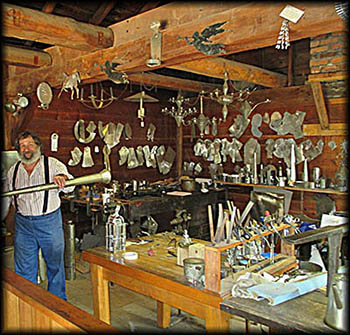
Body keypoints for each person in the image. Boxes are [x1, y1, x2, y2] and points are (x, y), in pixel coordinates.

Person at [2, 130, 75, 300]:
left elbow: (70, 187)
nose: (26, 148)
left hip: (49, 222)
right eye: (22, 146)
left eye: (29, 144)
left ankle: (57, 303)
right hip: (23, 224)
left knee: (55, 266)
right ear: (18, 150)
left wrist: (63, 178)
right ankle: (27, 303)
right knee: (24, 268)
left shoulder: (53, 164)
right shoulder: (13, 171)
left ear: (38, 147)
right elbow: (7, 199)